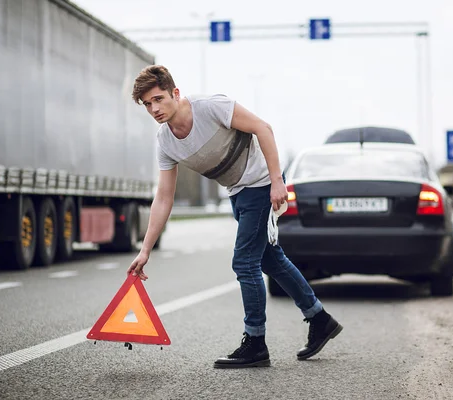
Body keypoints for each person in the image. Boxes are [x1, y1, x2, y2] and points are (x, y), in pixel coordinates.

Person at [127, 65, 342, 368]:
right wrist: (145, 249)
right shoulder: (166, 142)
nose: (154, 109)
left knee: (244, 262)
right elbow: (164, 197)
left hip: (261, 183)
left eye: (159, 99)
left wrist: (277, 181)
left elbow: (263, 128)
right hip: (237, 191)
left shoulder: (211, 108)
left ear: (176, 93)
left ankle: (255, 343)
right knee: (269, 258)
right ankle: (320, 319)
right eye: (148, 104)